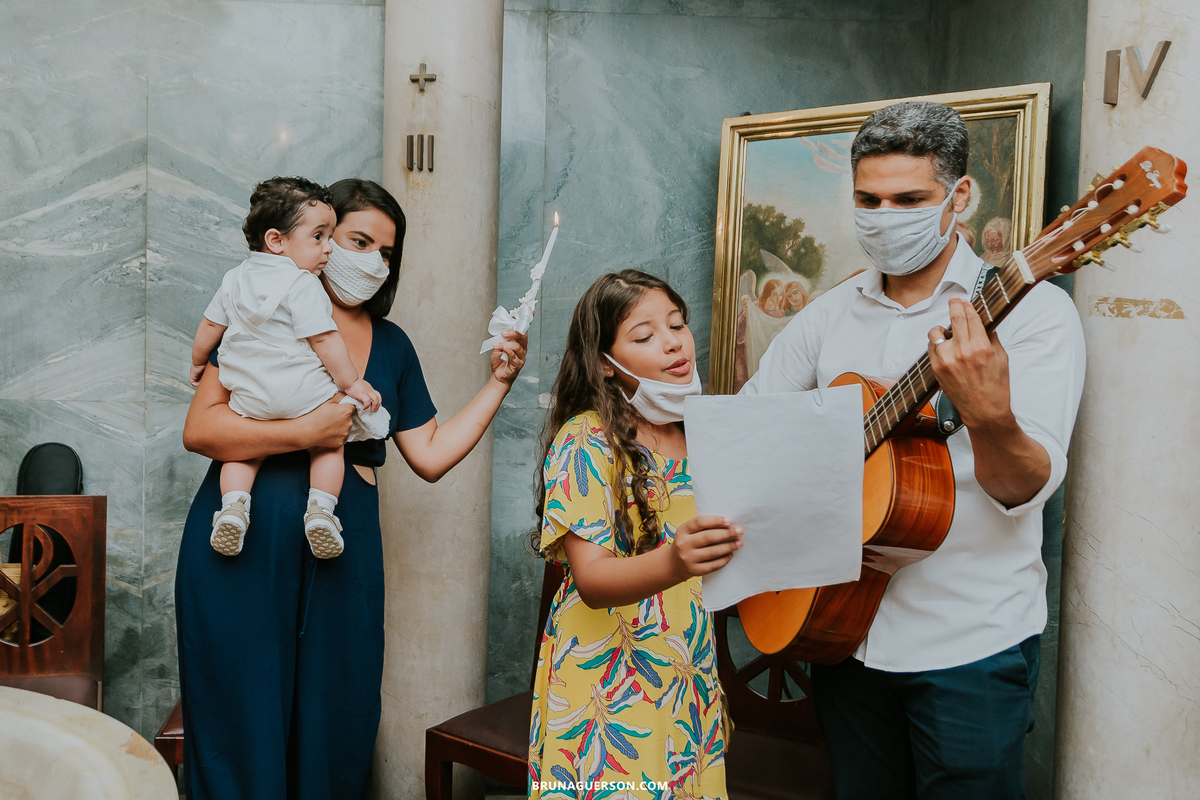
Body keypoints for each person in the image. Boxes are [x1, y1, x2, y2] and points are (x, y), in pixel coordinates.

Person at [742, 102, 1085, 799]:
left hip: (970, 646)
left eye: (908, 199)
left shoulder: (1034, 314)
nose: (883, 215)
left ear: (958, 197)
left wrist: (989, 417)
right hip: (840, 634)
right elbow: (752, 437)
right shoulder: (826, 316)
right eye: (868, 199)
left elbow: (1023, 487)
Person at [176, 178, 528, 800]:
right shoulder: (260, 313)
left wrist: (499, 382)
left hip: (342, 547)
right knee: (240, 720)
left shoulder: (392, 347)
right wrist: (309, 429)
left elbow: (431, 454)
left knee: (335, 722)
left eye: (386, 253)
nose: (373, 260)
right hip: (238, 541)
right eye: (358, 240)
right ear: (320, 239)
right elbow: (200, 429)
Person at [527, 270, 742, 799]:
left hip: (683, 666)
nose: (673, 342)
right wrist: (677, 561)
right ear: (605, 362)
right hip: (606, 680)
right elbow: (593, 581)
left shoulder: (705, 433)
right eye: (644, 336)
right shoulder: (587, 439)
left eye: (677, 325)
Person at [189, 176, 384, 560]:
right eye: (319, 237)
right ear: (276, 240)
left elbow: (210, 326)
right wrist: (354, 383)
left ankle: (232, 507)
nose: (328, 249)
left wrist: (198, 362)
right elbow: (325, 340)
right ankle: (321, 511)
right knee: (328, 444)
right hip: (301, 396)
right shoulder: (303, 283)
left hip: (249, 396)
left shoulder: (233, 279)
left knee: (242, 452)